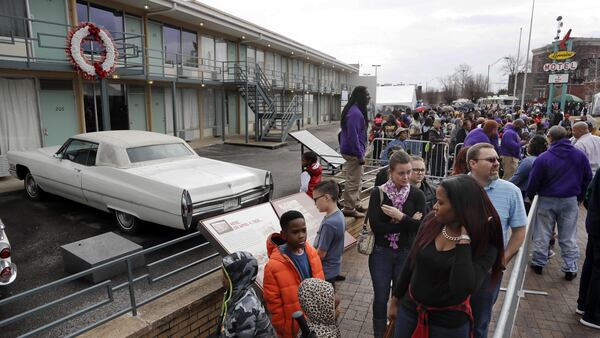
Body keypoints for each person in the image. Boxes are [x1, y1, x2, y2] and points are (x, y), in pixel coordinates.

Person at [388, 175, 504, 338]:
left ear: (461, 207)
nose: (434, 206)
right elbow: (411, 261)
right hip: (410, 312)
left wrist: (464, 241)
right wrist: (396, 299)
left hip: (448, 326)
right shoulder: (431, 221)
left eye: (441, 203)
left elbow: (462, 287)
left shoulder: (485, 243)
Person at [466, 142, 528, 338]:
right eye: (490, 160)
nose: (496, 164)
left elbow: (519, 231)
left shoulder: (511, 191)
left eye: (497, 160)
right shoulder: (456, 187)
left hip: (489, 269)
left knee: (480, 321)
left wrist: (504, 259)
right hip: (456, 264)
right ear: (473, 163)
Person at [367, 150, 426, 337]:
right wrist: (407, 222)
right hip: (381, 252)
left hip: (406, 252)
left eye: (409, 172)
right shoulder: (379, 193)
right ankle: (379, 334)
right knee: (381, 297)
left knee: (400, 296)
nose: (407, 177)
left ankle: (396, 332)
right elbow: (376, 226)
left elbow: (420, 227)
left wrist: (400, 217)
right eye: (401, 173)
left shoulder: (417, 195)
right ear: (390, 172)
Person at [527, 126, 593, 280]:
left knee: (542, 232)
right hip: (570, 199)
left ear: (550, 137)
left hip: (547, 198)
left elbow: (534, 180)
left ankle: (539, 262)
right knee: (568, 235)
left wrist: (531, 195)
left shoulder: (544, 157)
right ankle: (570, 267)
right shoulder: (579, 156)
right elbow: (587, 178)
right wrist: (580, 196)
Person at [263, 210, 325, 338]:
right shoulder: (273, 266)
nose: (301, 235)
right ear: (284, 235)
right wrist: (285, 329)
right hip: (294, 326)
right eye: (295, 232)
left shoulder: (312, 253)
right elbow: (274, 304)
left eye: (304, 230)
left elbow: (320, 283)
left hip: (315, 318)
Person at [218, 251, 275, 337]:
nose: (221, 279)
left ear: (236, 278)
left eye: (225, 276)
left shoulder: (245, 310)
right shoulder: (241, 292)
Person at [339, 86, 370, 218]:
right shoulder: (355, 113)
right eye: (367, 95)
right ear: (361, 97)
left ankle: (356, 203)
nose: (369, 97)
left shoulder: (353, 110)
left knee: (358, 178)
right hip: (354, 152)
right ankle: (349, 208)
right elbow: (353, 136)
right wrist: (359, 154)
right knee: (353, 181)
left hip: (354, 151)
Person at [577, 169, 600, 330]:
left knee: (591, 264)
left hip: (595, 224)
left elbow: (588, 194)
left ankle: (584, 304)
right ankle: (593, 314)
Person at [312, 180, 345, 288]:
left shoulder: (329, 224)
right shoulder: (338, 214)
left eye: (315, 199)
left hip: (325, 271)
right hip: (333, 268)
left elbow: (321, 253)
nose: (314, 203)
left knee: (325, 302)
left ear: (326, 197)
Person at [509, 135, 548, 212]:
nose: (527, 146)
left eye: (529, 144)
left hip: (525, 197)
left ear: (532, 146)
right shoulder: (546, 159)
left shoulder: (528, 161)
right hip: (541, 197)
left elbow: (516, 179)